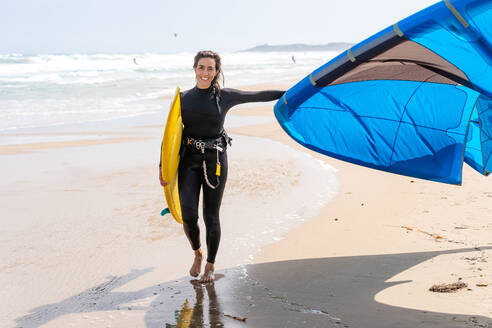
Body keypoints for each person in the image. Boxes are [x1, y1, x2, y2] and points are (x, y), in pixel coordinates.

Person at [159, 50, 284, 283]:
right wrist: (162, 167)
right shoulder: (183, 98)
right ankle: (197, 252)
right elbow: (170, 136)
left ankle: (210, 264)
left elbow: (258, 95)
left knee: (211, 215)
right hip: (188, 160)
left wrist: (290, 94)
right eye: (201, 67)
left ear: (217, 72)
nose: (205, 72)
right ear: (194, 69)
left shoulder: (224, 96)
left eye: (210, 68)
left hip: (215, 159)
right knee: (188, 216)